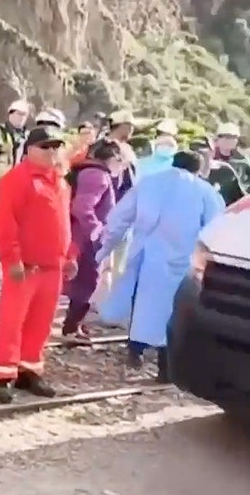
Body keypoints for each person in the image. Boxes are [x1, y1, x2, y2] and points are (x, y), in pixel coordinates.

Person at [95, 151, 224, 380]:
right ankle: (165, 368)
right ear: (199, 169)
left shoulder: (149, 183)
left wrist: (103, 250)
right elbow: (216, 228)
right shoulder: (205, 191)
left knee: (143, 306)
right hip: (182, 263)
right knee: (171, 313)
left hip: (145, 259)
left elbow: (120, 217)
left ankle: (135, 352)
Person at [0, 126, 78, 403]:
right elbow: (5, 222)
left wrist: (70, 256)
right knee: (12, 321)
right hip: (26, 266)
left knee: (41, 322)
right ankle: (3, 375)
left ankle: (29, 370)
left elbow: (64, 222)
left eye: (56, 147)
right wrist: (11, 258)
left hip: (52, 265)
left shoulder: (60, 181)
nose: (52, 152)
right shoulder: (16, 180)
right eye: (45, 147)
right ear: (30, 150)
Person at [61, 140, 121, 342]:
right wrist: (96, 230)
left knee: (83, 282)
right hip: (85, 238)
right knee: (87, 282)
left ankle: (74, 324)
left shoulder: (87, 171)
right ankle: (71, 327)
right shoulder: (98, 176)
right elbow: (82, 208)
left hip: (80, 234)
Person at [0, 101, 31, 254]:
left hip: (20, 178)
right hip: (0, 178)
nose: (21, 118)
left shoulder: (27, 135)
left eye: (24, 115)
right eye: (18, 114)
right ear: (10, 114)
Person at [194, 136, 248, 206]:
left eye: (205, 152)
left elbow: (240, 197)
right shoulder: (185, 173)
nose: (201, 156)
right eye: (197, 152)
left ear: (212, 152)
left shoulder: (224, 170)